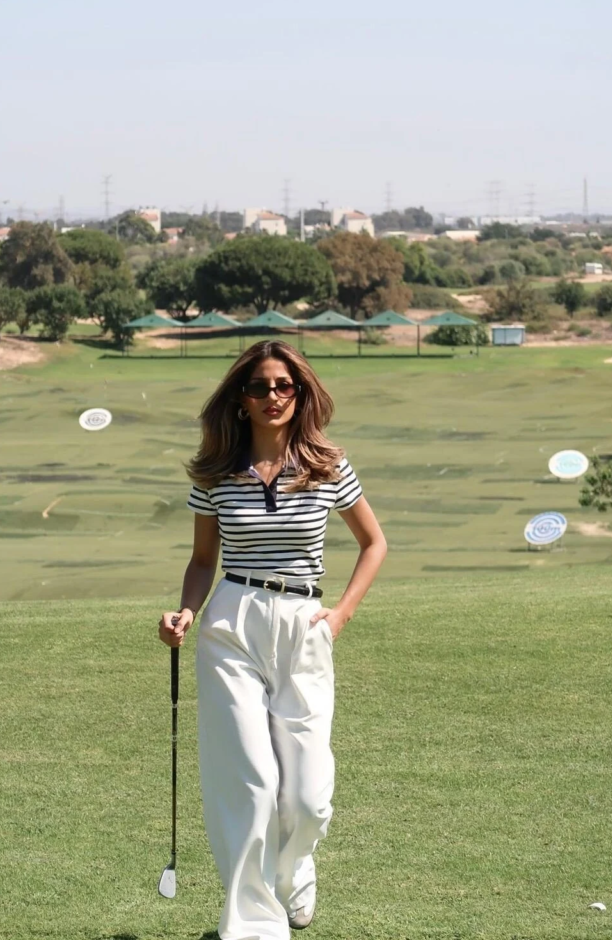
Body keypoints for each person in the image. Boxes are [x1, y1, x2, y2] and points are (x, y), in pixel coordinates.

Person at [159, 339, 387, 940]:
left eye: (284, 385)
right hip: (231, 622)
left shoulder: (328, 464)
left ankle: (296, 870)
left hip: (304, 623)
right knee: (253, 781)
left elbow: (375, 544)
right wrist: (186, 611)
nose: (272, 396)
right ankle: (253, 924)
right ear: (241, 398)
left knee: (307, 798)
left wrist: (339, 616)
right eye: (260, 387)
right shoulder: (215, 472)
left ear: (301, 392)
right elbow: (203, 560)